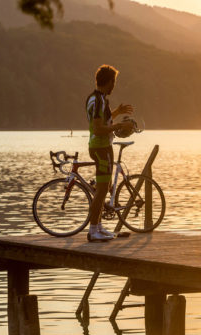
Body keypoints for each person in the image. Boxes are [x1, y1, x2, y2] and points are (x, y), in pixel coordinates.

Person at [85, 64, 133, 242]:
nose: (115, 86)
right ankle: (93, 230)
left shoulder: (99, 98)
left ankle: (98, 227)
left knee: (103, 189)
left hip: (104, 147)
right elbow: (98, 129)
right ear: (109, 81)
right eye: (114, 82)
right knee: (102, 189)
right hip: (99, 147)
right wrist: (118, 126)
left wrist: (117, 113)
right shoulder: (97, 100)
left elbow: (102, 120)